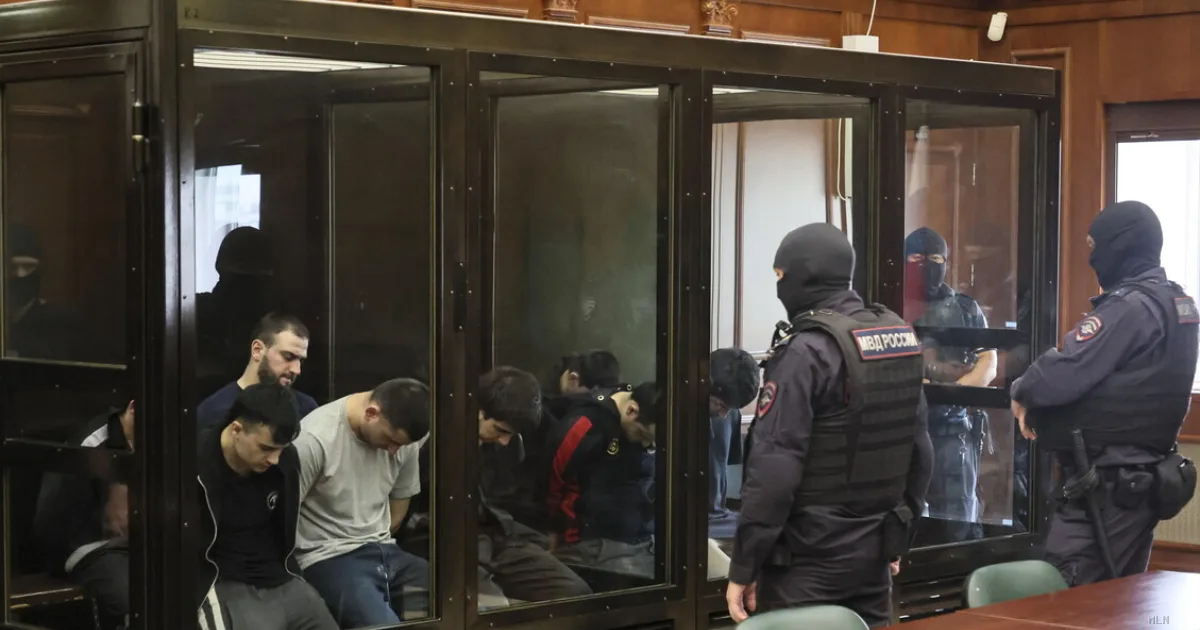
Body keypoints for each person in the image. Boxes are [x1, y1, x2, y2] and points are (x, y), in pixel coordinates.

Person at [727, 223, 933, 628]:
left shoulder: (805, 353)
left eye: (780, 276)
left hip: (806, 567)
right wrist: (897, 539)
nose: (779, 288)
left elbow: (773, 474)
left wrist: (744, 565)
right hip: (874, 563)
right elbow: (920, 452)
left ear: (801, 277)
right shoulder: (898, 340)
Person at [1011, 201, 1199, 586]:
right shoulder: (1179, 305)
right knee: (1119, 600)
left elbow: (1062, 373)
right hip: (1141, 481)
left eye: (1095, 245)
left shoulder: (1130, 307)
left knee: (1066, 600)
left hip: (1105, 488)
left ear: (1120, 245)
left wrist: (1020, 390)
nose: (1092, 258)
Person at [195, 384, 337, 630]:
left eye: (282, 449)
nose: (274, 459)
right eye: (266, 448)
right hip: (220, 577)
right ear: (236, 430)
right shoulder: (194, 462)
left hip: (279, 574)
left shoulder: (285, 461)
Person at [294, 378, 432, 627]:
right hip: (328, 555)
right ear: (371, 413)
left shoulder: (403, 441)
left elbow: (400, 503)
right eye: (390, 440)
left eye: (401, 445)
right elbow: (284, 516)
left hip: (385, 549)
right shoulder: (314, 438)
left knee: (448, 600)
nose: (394, 450)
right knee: (380, 624)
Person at [903, 227, 997, 543]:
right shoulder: (890, 305)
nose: (925, 265)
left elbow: (989, 362)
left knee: (957, 523)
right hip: (902, 429)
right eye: (916, 258)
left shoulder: (964, 308)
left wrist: (955, 391)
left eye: (935, 258)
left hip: (951, 429)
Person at [474, 366, 593, 606]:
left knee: (575, 592)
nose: (505, 441)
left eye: (511, 434)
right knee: (492, 608)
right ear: (478, 412)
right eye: (500, 430)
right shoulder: (434, 443)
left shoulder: (509, 446)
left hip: (497, 533)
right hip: (449, 540)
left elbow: (508, 501)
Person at [34, 401, 135, 630]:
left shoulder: (156, 442)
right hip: (87, 548)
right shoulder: (92, 444)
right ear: (133, 408)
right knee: (135, 595)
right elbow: (48, 525)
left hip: (132, 545)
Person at [546, 381, 660, 578]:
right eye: (642, 434)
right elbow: (552, 481)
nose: (645, 446)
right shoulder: (586, 425)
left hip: (643, 535)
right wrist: (554, 530)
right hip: (596, 542)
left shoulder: (645, 426)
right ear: (631, 411)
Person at [197, 313, 319, 430]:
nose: (297, 370)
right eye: (288, 356)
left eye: (300, 361)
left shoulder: (306, 408)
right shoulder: (216, 413)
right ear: (257, 350)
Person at [708, 348, 760, 537]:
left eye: (731, 408)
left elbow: (725, 470)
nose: (724, 414)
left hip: (717, 517)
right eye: (721, 405)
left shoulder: (731, 414)